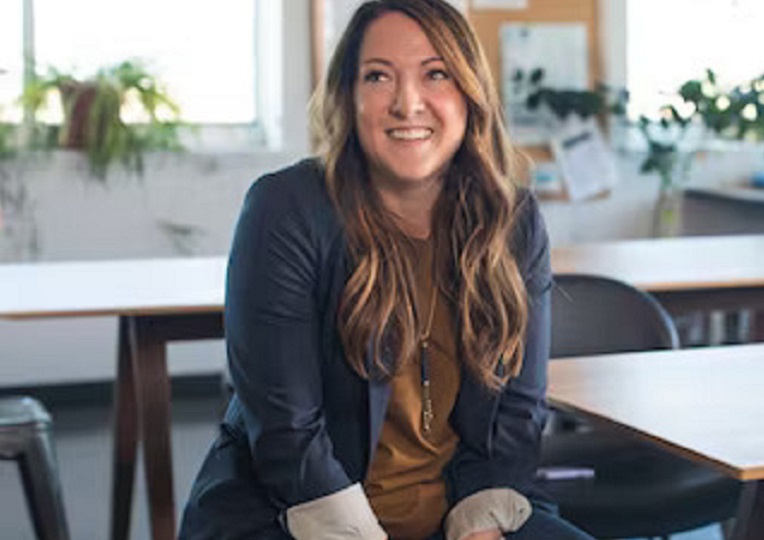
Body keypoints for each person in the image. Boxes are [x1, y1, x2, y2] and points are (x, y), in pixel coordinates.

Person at [179, 1, 592, 539]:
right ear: (348, 98)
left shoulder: (512, 221)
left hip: (463, 512)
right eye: (378, 76)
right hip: (299, 516)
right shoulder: (285, 209)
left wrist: (482, 528)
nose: (407, 103)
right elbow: (288, 436)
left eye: (435, 74)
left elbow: (516, 415)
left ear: (469, 93)